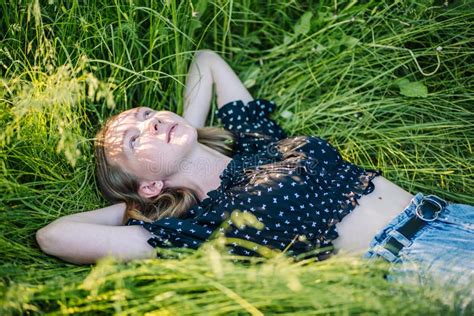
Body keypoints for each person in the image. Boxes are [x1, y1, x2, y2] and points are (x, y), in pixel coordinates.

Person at [36, 50, 473, 289]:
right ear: (149, 183)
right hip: (416, 264)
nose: (150, 121)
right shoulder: (198, 229)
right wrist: (145, 205)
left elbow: (207, 62)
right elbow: (53, 236)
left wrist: (191, 130)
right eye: (135, 140)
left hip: (449, 215)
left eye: (149, 112)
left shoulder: (255, 142)